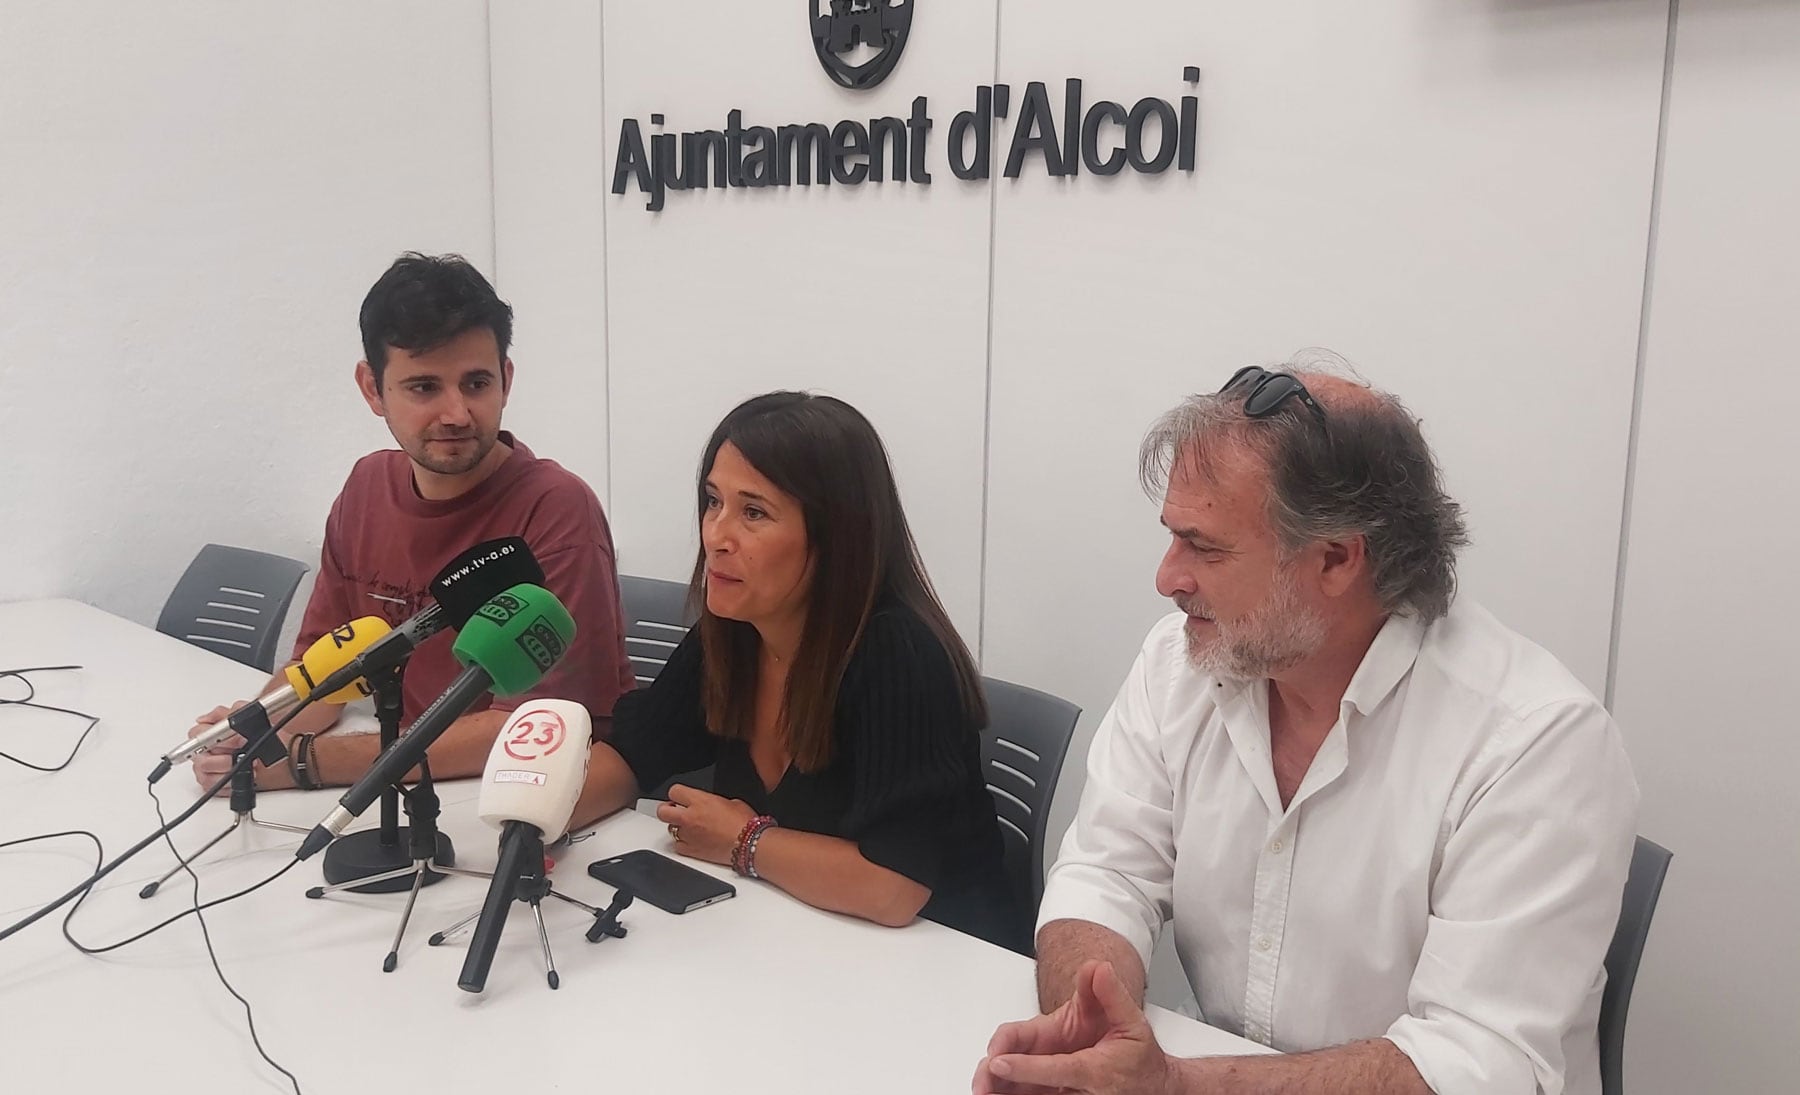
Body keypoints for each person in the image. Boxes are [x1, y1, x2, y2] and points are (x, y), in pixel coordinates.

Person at [974, 356, 1639, 1095]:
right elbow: (1106, 873)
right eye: (1173, 536)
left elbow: (1475, 1062)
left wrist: (1178, 1086)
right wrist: (1091, 1030)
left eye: (1206, 545)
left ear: (1335, 559)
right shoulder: (1180, 665)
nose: (1167, 577)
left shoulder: (1536, 744)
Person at [568, 391, 1021, 949]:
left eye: (753, 512)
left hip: (948, 968)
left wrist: (744, 839)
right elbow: (632, 757)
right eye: (714, 502)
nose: (716, 535)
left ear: (835, 539)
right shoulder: (735, 628)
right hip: (800, 941)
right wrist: (530, 818)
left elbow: (893, 888)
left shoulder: (897, 653)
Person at [186, 253, 633, 791]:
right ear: (372, 389)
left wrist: (308, 762)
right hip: (405, 775)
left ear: (506, 380)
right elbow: (325, 674)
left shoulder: (557, 509)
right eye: (424, 387)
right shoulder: (365, 488)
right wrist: (257, 730)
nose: (456, 414)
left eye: (476, 384)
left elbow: (533, 729)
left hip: (516, 793)